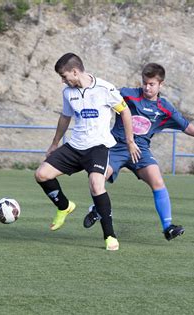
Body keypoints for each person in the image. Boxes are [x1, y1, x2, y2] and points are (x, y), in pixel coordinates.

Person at [83, 63, 194, 240]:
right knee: (98, 177)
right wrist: (87, 80)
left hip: (141, 151)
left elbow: (184, 125)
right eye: (145, 83)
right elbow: (105, 91)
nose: (147, 87)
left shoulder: (165, 108)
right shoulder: (128, 95)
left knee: (157, 181)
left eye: (151, 84)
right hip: (116, 146)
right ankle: (98, 209)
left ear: (161, 85)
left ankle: (168, 227)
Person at [34, 53, 140, 251]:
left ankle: (109, 236)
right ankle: (64, 206)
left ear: (75, 72)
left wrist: (130, 141)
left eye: (64, 76)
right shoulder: (68, 92)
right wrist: (55, 143)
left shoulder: (105, 89)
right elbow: (65, 118)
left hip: (98, 147)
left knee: (96, 184)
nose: (63, 80)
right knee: (41, 174)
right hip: (75, 146)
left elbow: (125, 111)